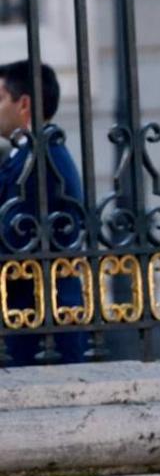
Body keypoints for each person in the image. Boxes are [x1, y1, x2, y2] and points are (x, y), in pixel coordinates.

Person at [0, 60, 88, 364]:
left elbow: (14, 233)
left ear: (23, 103)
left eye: (0, 98)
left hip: (42, 319)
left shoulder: (41, 155)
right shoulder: (29, 152)